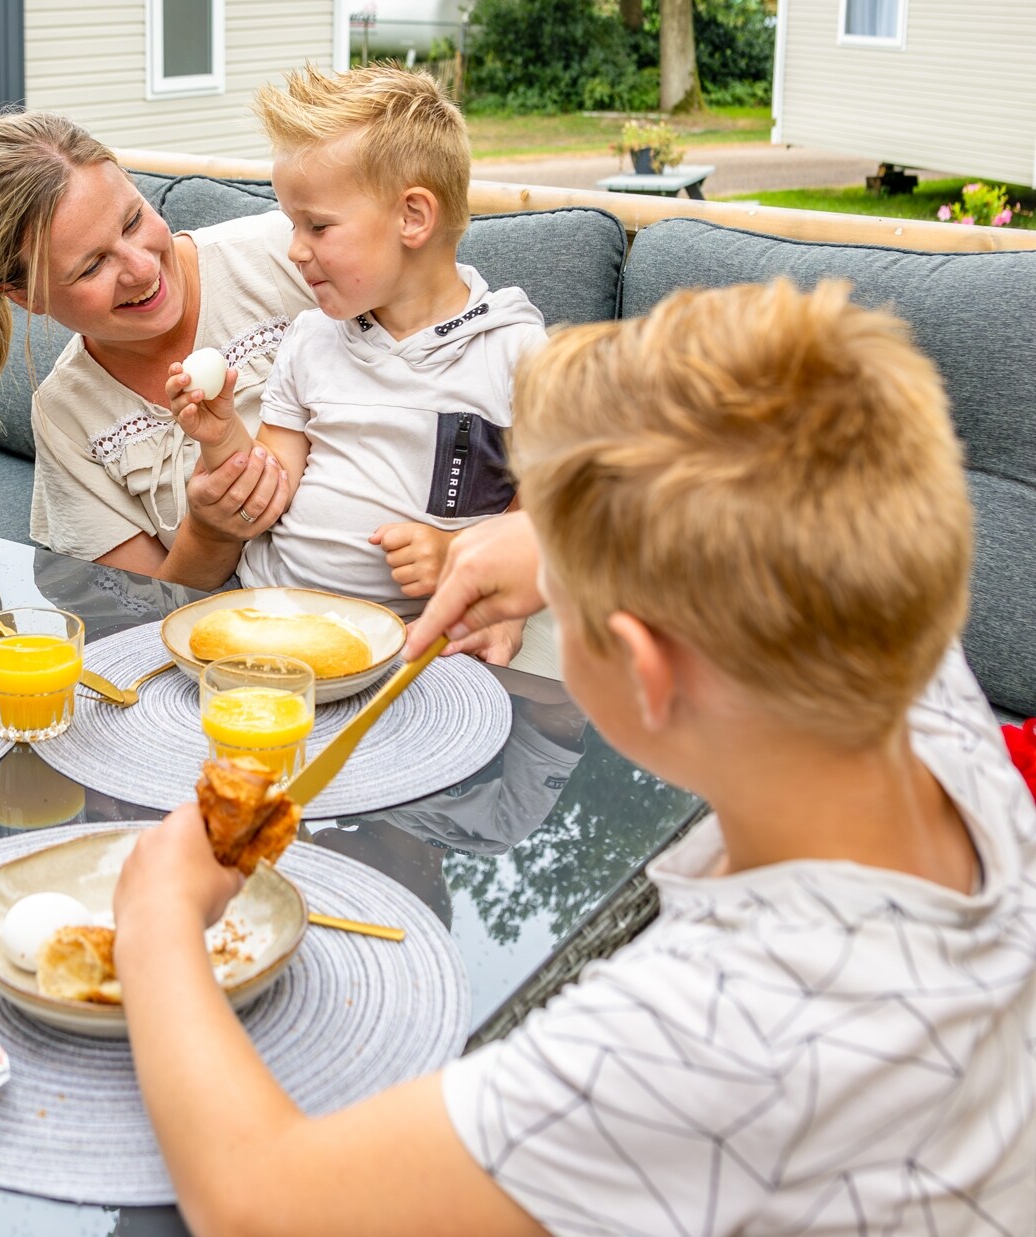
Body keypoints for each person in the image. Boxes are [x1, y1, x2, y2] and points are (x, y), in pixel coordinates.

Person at [111, 278, 1036, 1235]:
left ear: (643, 670)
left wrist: (157, 914)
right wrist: (561, 542)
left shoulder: (694, 1037)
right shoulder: (917, 678)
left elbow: (257, 1202)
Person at [163, 65, 544, 656]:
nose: (294, 249)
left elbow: (547, 516)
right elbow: (272, 490)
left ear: (413, 218)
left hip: (415, 645)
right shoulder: (312, 338)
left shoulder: (515, 354)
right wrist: (222, 437)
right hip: (272, 618)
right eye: (292, 224)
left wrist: (460, 558)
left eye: (316, 225)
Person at [0, 110, 319, 580]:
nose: (142, 269)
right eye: (91, 266)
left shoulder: (287, 257)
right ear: (25, 296)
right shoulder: (65, 415)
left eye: (132, 221)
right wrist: (209, 534)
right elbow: (139, 609)